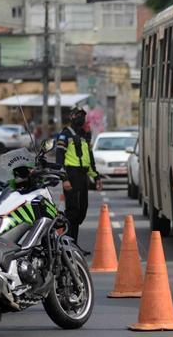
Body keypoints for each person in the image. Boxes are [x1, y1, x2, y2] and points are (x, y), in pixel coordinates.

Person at [55, 107, 102, 249]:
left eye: (83, 116)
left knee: (82, 211)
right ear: (71, 117)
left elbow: (90, 159)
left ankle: (73, 244)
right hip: (71, 175)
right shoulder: (65, 135)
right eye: (78, 116)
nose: (81, 119)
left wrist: (97, 177)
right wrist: (64, 179)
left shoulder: (84, 136)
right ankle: (69, 245)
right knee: (73, 211)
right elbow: (59, 158)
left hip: (83, 177)